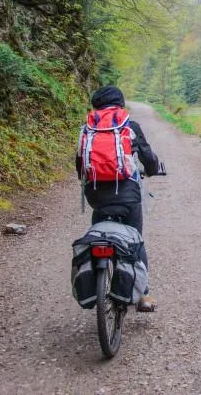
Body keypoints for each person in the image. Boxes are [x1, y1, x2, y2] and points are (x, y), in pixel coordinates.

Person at [75, 85, 160, 312]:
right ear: (120, 104)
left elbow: (80, 165)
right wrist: (152, 169)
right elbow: (148, 157)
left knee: (99, 233)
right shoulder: (130, 126)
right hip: (127, 194)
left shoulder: (87, 130)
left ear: (96, 105)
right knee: (135, 239)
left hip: (96, 195)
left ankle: (96, 280)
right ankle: (143, 295)